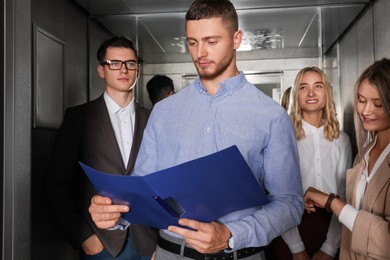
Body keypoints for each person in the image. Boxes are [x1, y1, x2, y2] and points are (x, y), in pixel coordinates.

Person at [89, 0, 304, 259]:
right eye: (192, 42)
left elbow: (290, 203)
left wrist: (232, 233)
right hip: (171, 252)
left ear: (236, 39)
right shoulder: (164, 112)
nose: (200, 52)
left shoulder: (272, 116)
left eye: (211, 41)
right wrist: (114, 213)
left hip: (241, 253)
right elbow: (143, 187)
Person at [45, 36, 157, 260]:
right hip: (101, 244)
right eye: (114, 63)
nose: (123, 70)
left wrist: (159, 239)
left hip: (148, 243)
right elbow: (55, 184)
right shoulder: (78, 118)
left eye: (130, 63)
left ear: (137, 69)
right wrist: (84, 237)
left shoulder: (154, 118)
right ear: (101, 70)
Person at [303, 58, 390, 260]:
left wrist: (332, 202)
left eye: (377, 103)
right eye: (361, 100)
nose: (366, 111)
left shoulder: (342, 141)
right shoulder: (364, 153)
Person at [267, 67, 352, 260]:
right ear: (296, 94)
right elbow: (278, 197)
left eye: (318, 86)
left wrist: (330, 248)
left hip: (334, 230)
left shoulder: (342, 140)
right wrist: (296, 248)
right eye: (304, 87)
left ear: (326, 93)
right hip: (290, 230)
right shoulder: (282, 139)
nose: (311, 93)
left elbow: (346, 195)